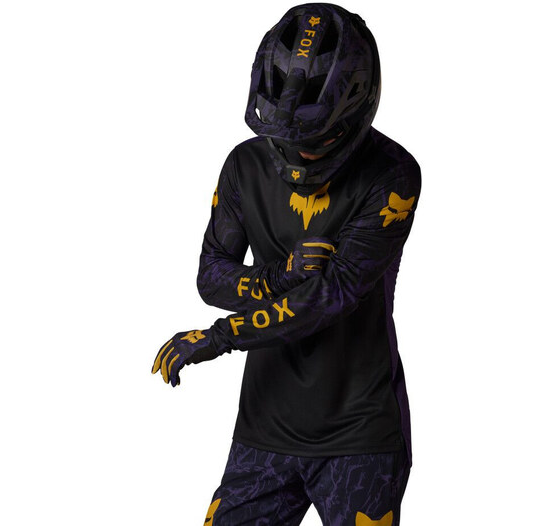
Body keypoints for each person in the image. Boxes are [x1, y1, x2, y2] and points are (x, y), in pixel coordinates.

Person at [151, 3, 421, 525]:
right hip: (264, 428)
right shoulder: (244, 164)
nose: (300, 153)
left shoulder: (393, 173)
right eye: (287, 137)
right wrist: (279, 275)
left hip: (360, 434)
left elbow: (331, 297)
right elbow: (211, 276)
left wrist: (220, 336)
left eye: (315, 139)